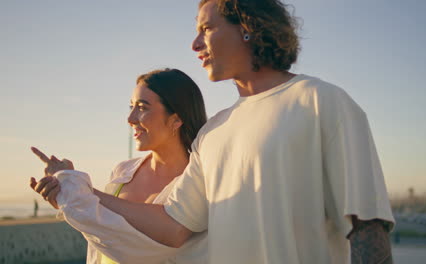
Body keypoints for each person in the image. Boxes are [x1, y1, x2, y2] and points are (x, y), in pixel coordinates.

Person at [34, 1, 395, 263]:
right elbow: (173, 227)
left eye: (206, 29)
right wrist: (82, 189)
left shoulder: (320, 102)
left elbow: (368, 229)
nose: (194, 45)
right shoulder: (214, 132)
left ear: (248, 25)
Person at [30, 68, 208, 264]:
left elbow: (140, 250)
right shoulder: (123, 171)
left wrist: (76, 188)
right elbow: (106, 233)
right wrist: (64, 195)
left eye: (142, 107)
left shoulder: (197, 181)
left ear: (176, 119)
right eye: (131, 106)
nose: (130, 118)